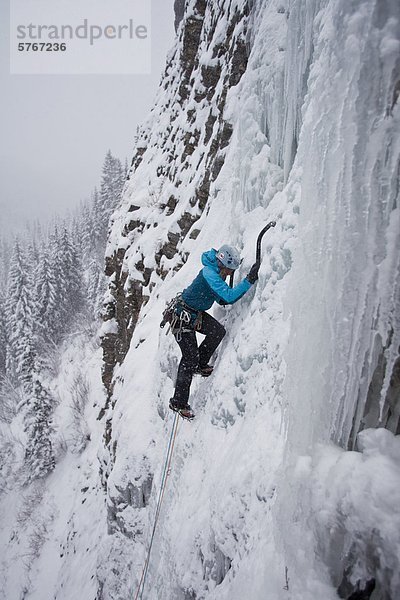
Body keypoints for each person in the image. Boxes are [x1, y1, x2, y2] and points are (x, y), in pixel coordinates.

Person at [168, 245, 260, 419]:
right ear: (223, 265)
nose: (229, 275)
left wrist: (222, 297)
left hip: (194, 314)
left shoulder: (214, 273)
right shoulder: (210, 274)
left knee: (217, 331)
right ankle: (178, 402)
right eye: (229, 271)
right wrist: (249, 280)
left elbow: (218, 297)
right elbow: (229, 296)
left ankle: (200, 365)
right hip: (182, 318)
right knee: (189, 357)